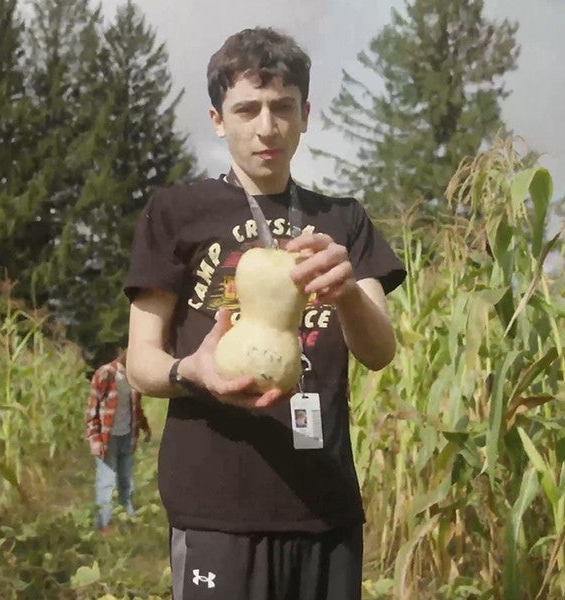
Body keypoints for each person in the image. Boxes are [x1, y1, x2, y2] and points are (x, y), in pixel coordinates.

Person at [124, 27, 406, 599]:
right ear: (218, 119)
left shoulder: (343, 220)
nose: (266, 126)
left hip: (324, 505)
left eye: (282, 107)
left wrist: (348, 290)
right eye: (246, 108)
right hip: (214, 507)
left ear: (305, 113)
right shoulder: (176, 212)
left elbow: (379, 353)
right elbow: (141, 362)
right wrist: (191, 372)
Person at [84, 348, 151, 533]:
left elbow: (136, 409)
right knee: (107, 481)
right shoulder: (106, 373)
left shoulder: (133, 379)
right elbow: (92, 409)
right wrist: (94, 439)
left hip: (127, 436)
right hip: (107, 437)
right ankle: (104, 525)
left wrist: (145, 428)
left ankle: (128, 520)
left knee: (126, 480)